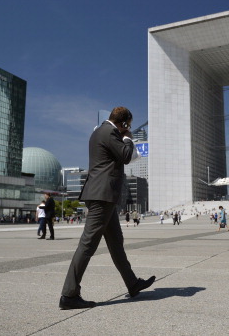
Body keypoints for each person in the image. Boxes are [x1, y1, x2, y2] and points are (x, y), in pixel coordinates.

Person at [59, 107, 155, 310]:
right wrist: (128, 138)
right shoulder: (109, 132)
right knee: (87, 245)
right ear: (125, 123)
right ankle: (69, 294)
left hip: (104, 196)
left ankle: (132, 283)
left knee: (116, 243)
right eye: (128, 125)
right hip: (102, 196)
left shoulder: (99, 131)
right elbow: (126, 156)